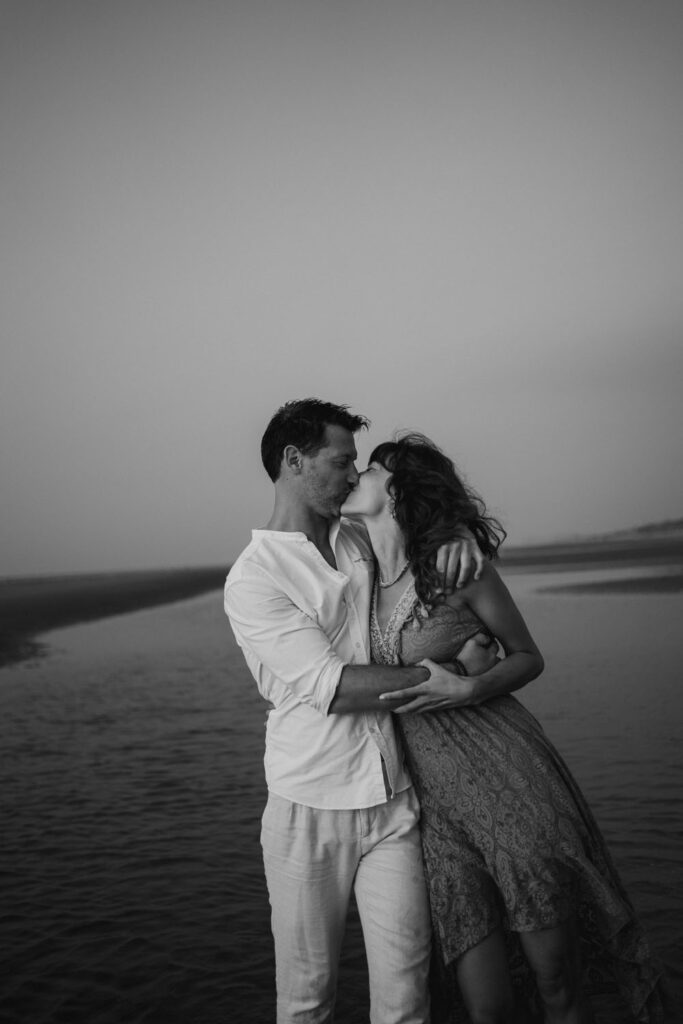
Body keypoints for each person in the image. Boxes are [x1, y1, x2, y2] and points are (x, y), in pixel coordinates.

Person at [340, 432, 666, 1024]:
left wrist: (470, 686)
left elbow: (526, 655)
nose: (354, 475)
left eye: (368, 468)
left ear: (397, 487)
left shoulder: (454, 569)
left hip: (509, 780)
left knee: (556, 980)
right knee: (483, 1004)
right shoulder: (357, 575)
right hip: (434, 810)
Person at [224, 399, 485, 1024]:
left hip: (393, 802)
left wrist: (458, 537)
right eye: (341, 462)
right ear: (294, 460)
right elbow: (332, 686)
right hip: (307, 809)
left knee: (407, 999)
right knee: (309, 1000)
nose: (352, 475)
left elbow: (417, 523)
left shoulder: (354, 538)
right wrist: (443, 679)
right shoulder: (255, 576)